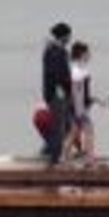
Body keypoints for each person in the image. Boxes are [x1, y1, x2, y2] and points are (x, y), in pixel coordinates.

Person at [41, 22, 74, 167]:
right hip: (57, 94)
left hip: (52, 93)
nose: (70, 38)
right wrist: (68, 90)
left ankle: (49, 150)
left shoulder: (50, 50)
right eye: (69, 35)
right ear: (64, 36)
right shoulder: (57, 51)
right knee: (59, 127)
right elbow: (60, 75)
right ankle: (54, 158)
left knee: (65, 125)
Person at [67, 41, 101, 167]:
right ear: (82, 54)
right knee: (89, 131)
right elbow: (76, 91)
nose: (89, 55)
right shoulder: (77, 70)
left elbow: (83, 91)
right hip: (79, 107)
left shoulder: (78, 68)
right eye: (87, 52)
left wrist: (93, 99)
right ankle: (90, 160)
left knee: (73, 132)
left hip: (78, 106)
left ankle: (64, 157)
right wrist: (79, 110)